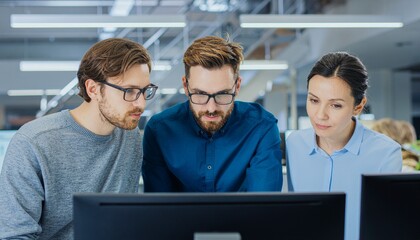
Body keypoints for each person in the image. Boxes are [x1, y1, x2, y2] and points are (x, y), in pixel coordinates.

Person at [0, 38, 158, 239]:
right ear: (93, 89)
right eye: (129, 91)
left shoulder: (130, 135)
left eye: (145, 91)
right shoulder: (34, 142)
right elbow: (15, 236)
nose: (141, 104)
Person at [142, 36, 283, 192]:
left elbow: (263, 208)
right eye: (200, 94)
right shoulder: (159, 131)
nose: (211, 108)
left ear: (237, 86)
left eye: (222, 94)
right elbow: (159, 209)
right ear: (185, 86)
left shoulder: (262, 127)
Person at [286, 52, 402, 240]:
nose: (320, 115)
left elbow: (388, 227)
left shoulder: (386, 154)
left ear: (358, 106)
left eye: (336, 105)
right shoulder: (294, 144)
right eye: (314, 100)